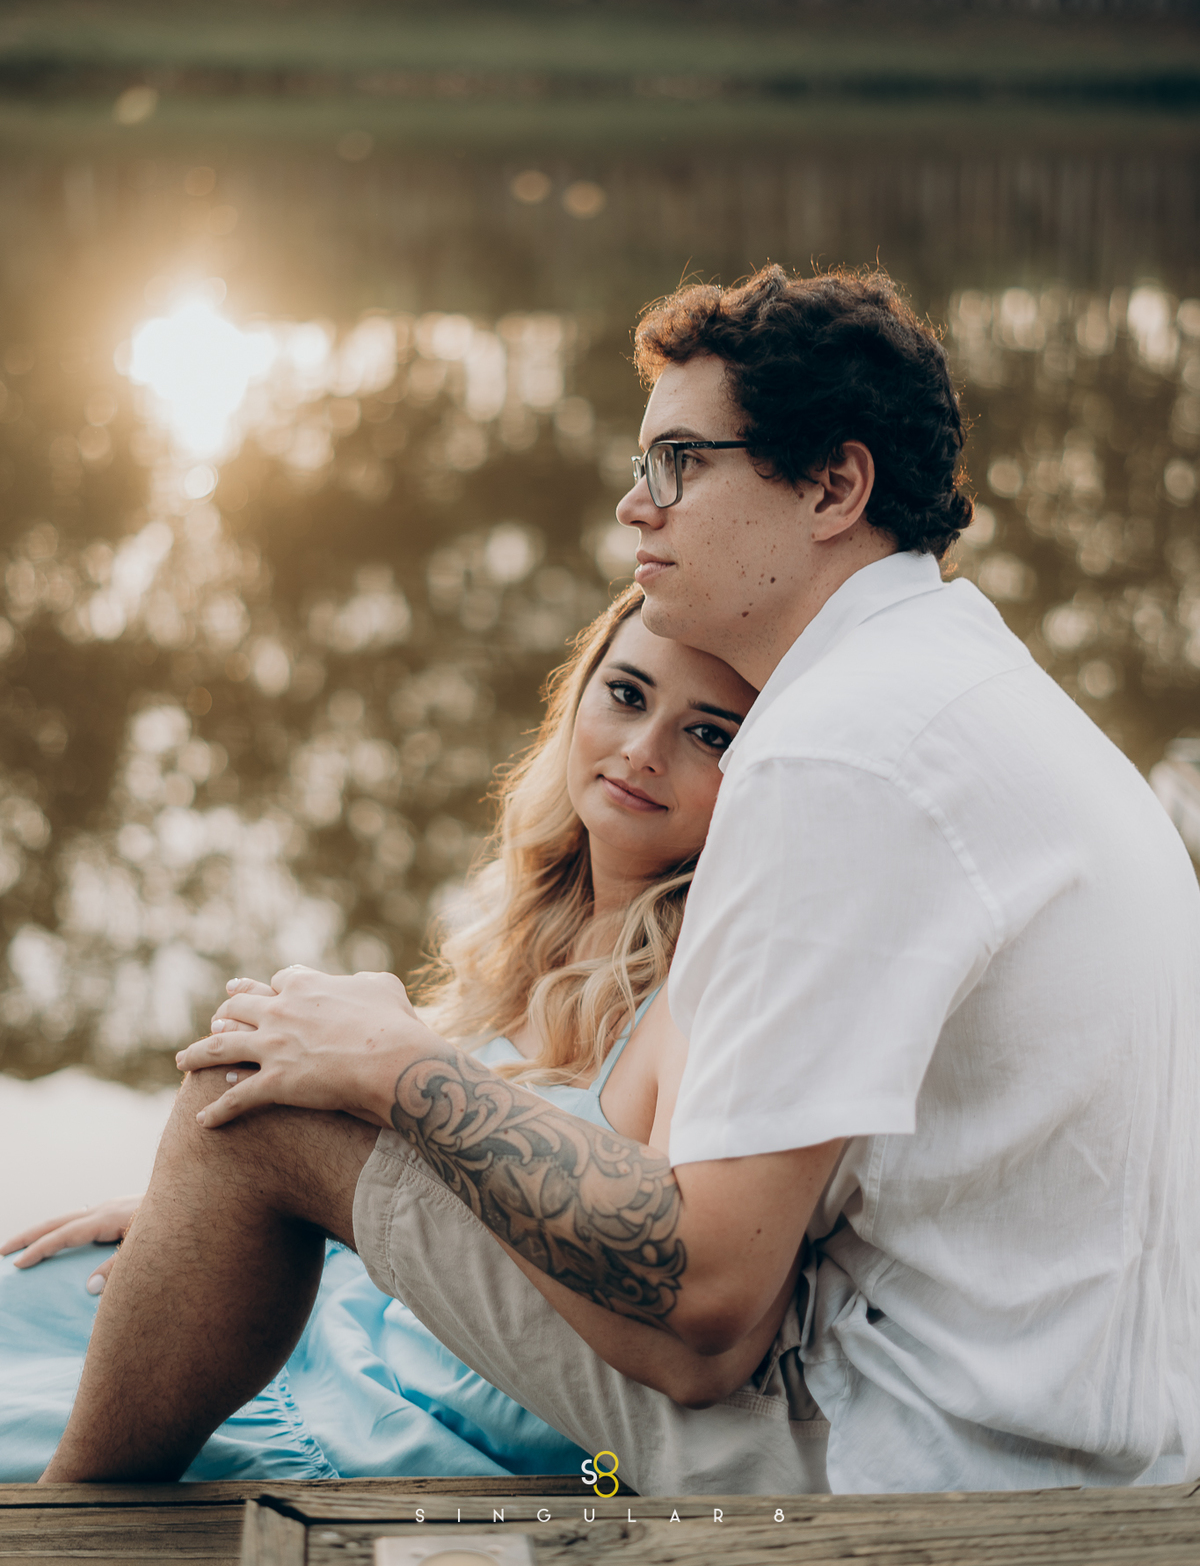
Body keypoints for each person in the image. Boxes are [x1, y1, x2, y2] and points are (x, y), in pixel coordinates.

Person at [40, 265, 1200, 1495]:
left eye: (680, 463)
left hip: (893, 1466)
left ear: (833, 487)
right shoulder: (966, 690)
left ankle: (64, 1532)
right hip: (1073, 1445)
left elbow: (709, 1301)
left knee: (257, 1093)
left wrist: (398, 1071)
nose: (635, 504)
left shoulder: (840, 755)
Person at [1, 586, 765, 1483]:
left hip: (407, 1425)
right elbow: (418, 1191)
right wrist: (208, 1211)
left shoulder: (701, 991)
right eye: (627, 695)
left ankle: (66, 1523)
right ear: (578, 697)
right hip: (336, 1328)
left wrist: (271, 1166)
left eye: (708, 734)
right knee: (35, 1291)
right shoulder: (532, 937)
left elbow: (670, 1288)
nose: (642, 751)